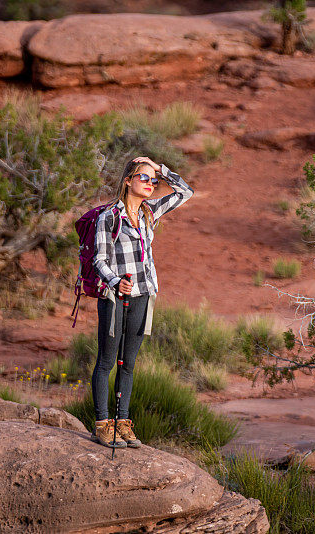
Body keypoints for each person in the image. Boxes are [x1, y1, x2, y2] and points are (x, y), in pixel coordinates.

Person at [90, 155, 194, 448]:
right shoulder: (109, 217)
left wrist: (162, 168)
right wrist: (114, 281)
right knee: (107, 361)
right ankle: (102, 424)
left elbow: (186, 193)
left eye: (154, 180)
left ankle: (123, 423)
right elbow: (99, 259)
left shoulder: (150, 211)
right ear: (128, 181)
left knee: (129, 363)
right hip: (115, 296)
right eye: (144, 178)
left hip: (144, 294)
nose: (151, 184)